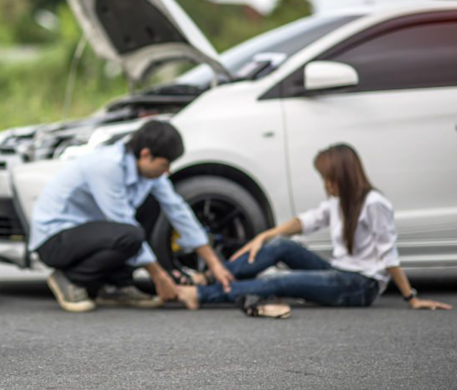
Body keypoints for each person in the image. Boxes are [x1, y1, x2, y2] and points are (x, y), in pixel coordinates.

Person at [177, 144, 451, 316]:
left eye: (328, 179)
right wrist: (265, 236)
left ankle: (201, 294)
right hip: (339, 272)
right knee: (282, 246)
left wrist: (411, 297)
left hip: (359, 286)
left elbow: (389, 255)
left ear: (342, 177)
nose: (325, 185)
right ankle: (207, 278)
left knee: (280, 281)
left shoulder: (374, 204)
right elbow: (303, 222)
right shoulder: (338, 202)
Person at [29, 120, 234, 312]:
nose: (168, 171)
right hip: (54, 239)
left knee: (152, 205)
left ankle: (115, 286)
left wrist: (214, 264)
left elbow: (177, 210)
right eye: (165, 164)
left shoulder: (148, 174)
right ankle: (69, 279)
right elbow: (122, 221)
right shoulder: (107, 166)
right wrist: (159, 276)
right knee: (131, 234)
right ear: (146, 154)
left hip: (88, 232)